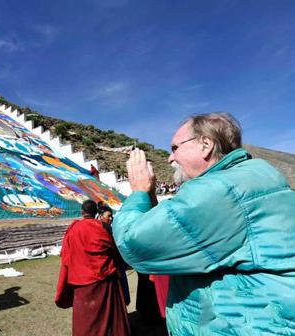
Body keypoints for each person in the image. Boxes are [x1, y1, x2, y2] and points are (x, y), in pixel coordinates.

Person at [112, 112, 295, 335]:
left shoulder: (219, 189)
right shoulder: (249, 179)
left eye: (174, 148)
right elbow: (176, 236)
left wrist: (138, 192)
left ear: (205, 144)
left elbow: (134, 245)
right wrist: (150, 198)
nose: (170, 158)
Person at [55, 200, 130, 336]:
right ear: (96, 212)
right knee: (109, 317)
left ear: (82, 212)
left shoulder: (73, 230)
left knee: (86, 320)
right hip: (105, 280)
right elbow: (114, 250)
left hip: (81, 282)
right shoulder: (103, 227)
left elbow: (66, 254)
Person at [97, 205, 131, 306]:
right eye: (109, 216)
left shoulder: (111, 228)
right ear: (100, 216)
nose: (111, 218)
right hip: (112, 267)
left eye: (112, 216)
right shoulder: (102, 229)